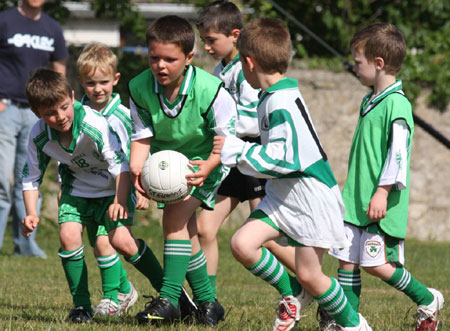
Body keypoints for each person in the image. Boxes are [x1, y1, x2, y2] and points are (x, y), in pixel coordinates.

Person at [213, 18, 372, 331]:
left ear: (248, 62)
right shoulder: (271, 96)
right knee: (242, 245)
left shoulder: (281, 102)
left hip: (311, 196)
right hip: (284, 194)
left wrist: (237, 150)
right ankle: (294, 292)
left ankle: (353, 324)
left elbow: (283, 158)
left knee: (312, 275)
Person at [21, 68, 170, 323]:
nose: (60, 117)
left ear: (71, 96)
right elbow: (30, 177)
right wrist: (32, 213)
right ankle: (81, 307)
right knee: (68, 236)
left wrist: (120, 201)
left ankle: (169, 295)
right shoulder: (38, 135)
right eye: (49, 113)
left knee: (118, 242)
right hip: (76, 190)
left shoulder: (94, 124)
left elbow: (120, 166)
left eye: (64, 107)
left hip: (113, 189)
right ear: (37, 114)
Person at [326, 22, 444, 331]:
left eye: (357, 61)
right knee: (346, 261)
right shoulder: (370, 100)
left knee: (377, 265)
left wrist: (382, 191)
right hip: (355, 198)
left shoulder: (397, 104)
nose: (354, 67)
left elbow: (398, 156)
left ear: (378, 64)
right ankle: (348, 322)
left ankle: (428, 299)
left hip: (381, 202)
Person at [128, 15, 236, 327]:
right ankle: (208, 304)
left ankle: (169, 300)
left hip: (208, 161)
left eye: (169, 59)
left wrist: (211, 165)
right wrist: (137, 171)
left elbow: (226, 138)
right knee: (186, 234)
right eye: (154, 58)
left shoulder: (210, 90)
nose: (160, 66)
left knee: (173, 220)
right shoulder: (138, 87)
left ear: (189, 58)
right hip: (169, 166)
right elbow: (142, 135)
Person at [195, 0, 297, 299]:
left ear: (235, 34)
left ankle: (314, 288)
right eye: (203, 41)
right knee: (204, 229)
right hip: (232, 157)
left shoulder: (246, 70)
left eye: (211, 40)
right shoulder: (220, 69)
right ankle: (208, 302)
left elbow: (252, 119)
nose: (207, 46)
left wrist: (226, 137)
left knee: (266, 239)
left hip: (251, 154)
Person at [76, 42, 144, 316]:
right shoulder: (78, 113)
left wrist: (140, 189)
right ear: (81, 82)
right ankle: (126, 288)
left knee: (108, 242)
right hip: (89, 191)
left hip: (118, 191)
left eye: (104, 81)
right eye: (90, 83)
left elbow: (134, 155)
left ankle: (111, 298)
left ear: (116, 79)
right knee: (98, 247)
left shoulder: (123, 116)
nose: (97, 89)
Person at [0, 0, 68, 258]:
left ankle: (26, 246)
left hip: (36, 114)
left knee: (29, 178)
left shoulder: (52, 28)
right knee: (1, 181)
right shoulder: (5, 21)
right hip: (5, 109)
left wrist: (58, 108)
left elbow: (59, 71)